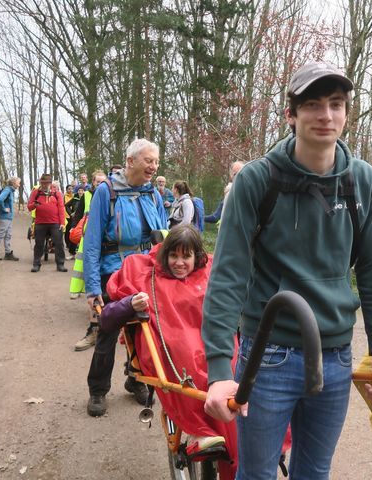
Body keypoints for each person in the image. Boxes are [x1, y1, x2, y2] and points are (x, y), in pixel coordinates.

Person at [202, 62, 372, 478]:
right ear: (291, 114)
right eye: (312, 104)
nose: (326, 115)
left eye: (336, 104)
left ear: (347, 113)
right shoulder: (257, 181)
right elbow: (228, 276)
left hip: (336, 356)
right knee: (256, 473)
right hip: (268, 354)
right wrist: (220, 371)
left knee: (314, 472)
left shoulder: (364, 182)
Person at [99, 225, 238, 479]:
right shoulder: (142, 274)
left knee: (235, 361)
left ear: (197, 257)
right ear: (165, 255)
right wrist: (130, 303)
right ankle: (200, 429)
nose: (179, 263)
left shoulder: (211, 275)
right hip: (172, 348)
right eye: (173, 255)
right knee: (186, 355)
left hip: (212, 344)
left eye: (186, 256)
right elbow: (107, 319)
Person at [83, 138, 167, 417]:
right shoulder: (106, 192)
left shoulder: (153, 194)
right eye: (148, 160)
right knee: (108, 330)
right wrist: (93, 287)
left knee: (145, 331)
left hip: (144, 272)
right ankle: (97, 390)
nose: (154, 166)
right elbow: (92, 242)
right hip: (113, 272)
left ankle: (136, 379)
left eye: (156, 161)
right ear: (130, 161)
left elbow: (164, 236)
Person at [70, 170, 107, 350]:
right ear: (92, 183)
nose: (100, 184)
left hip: (108, 250)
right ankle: (93, 331)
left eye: (103, 181)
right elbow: (77, 216)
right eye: (97, 182)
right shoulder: (87, 196)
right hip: (89, 245)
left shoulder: (112, 196)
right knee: (93, 289)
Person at [27, 173, 67, 273]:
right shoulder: (36, 192)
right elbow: (29, 207)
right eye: (43, 183)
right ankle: (36, 264)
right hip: (40, 222)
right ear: (40, 182)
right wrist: (34, 205)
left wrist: (62, 223)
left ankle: (60, 264)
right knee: (39, 244)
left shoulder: (56, 193)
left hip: (55, 223)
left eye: (47, 183)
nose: (45, 185)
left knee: (58, 243)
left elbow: (61, 208)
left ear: (50, 183)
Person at [0, 176, 21, 261]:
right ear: (14, 183)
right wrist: (4, 209)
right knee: (1, 234)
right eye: (18, 183)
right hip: (5, 217)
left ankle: (8, 253)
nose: (19, 185)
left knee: (8, 235)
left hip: (9, 217)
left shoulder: (11, 191)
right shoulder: (7, 190)